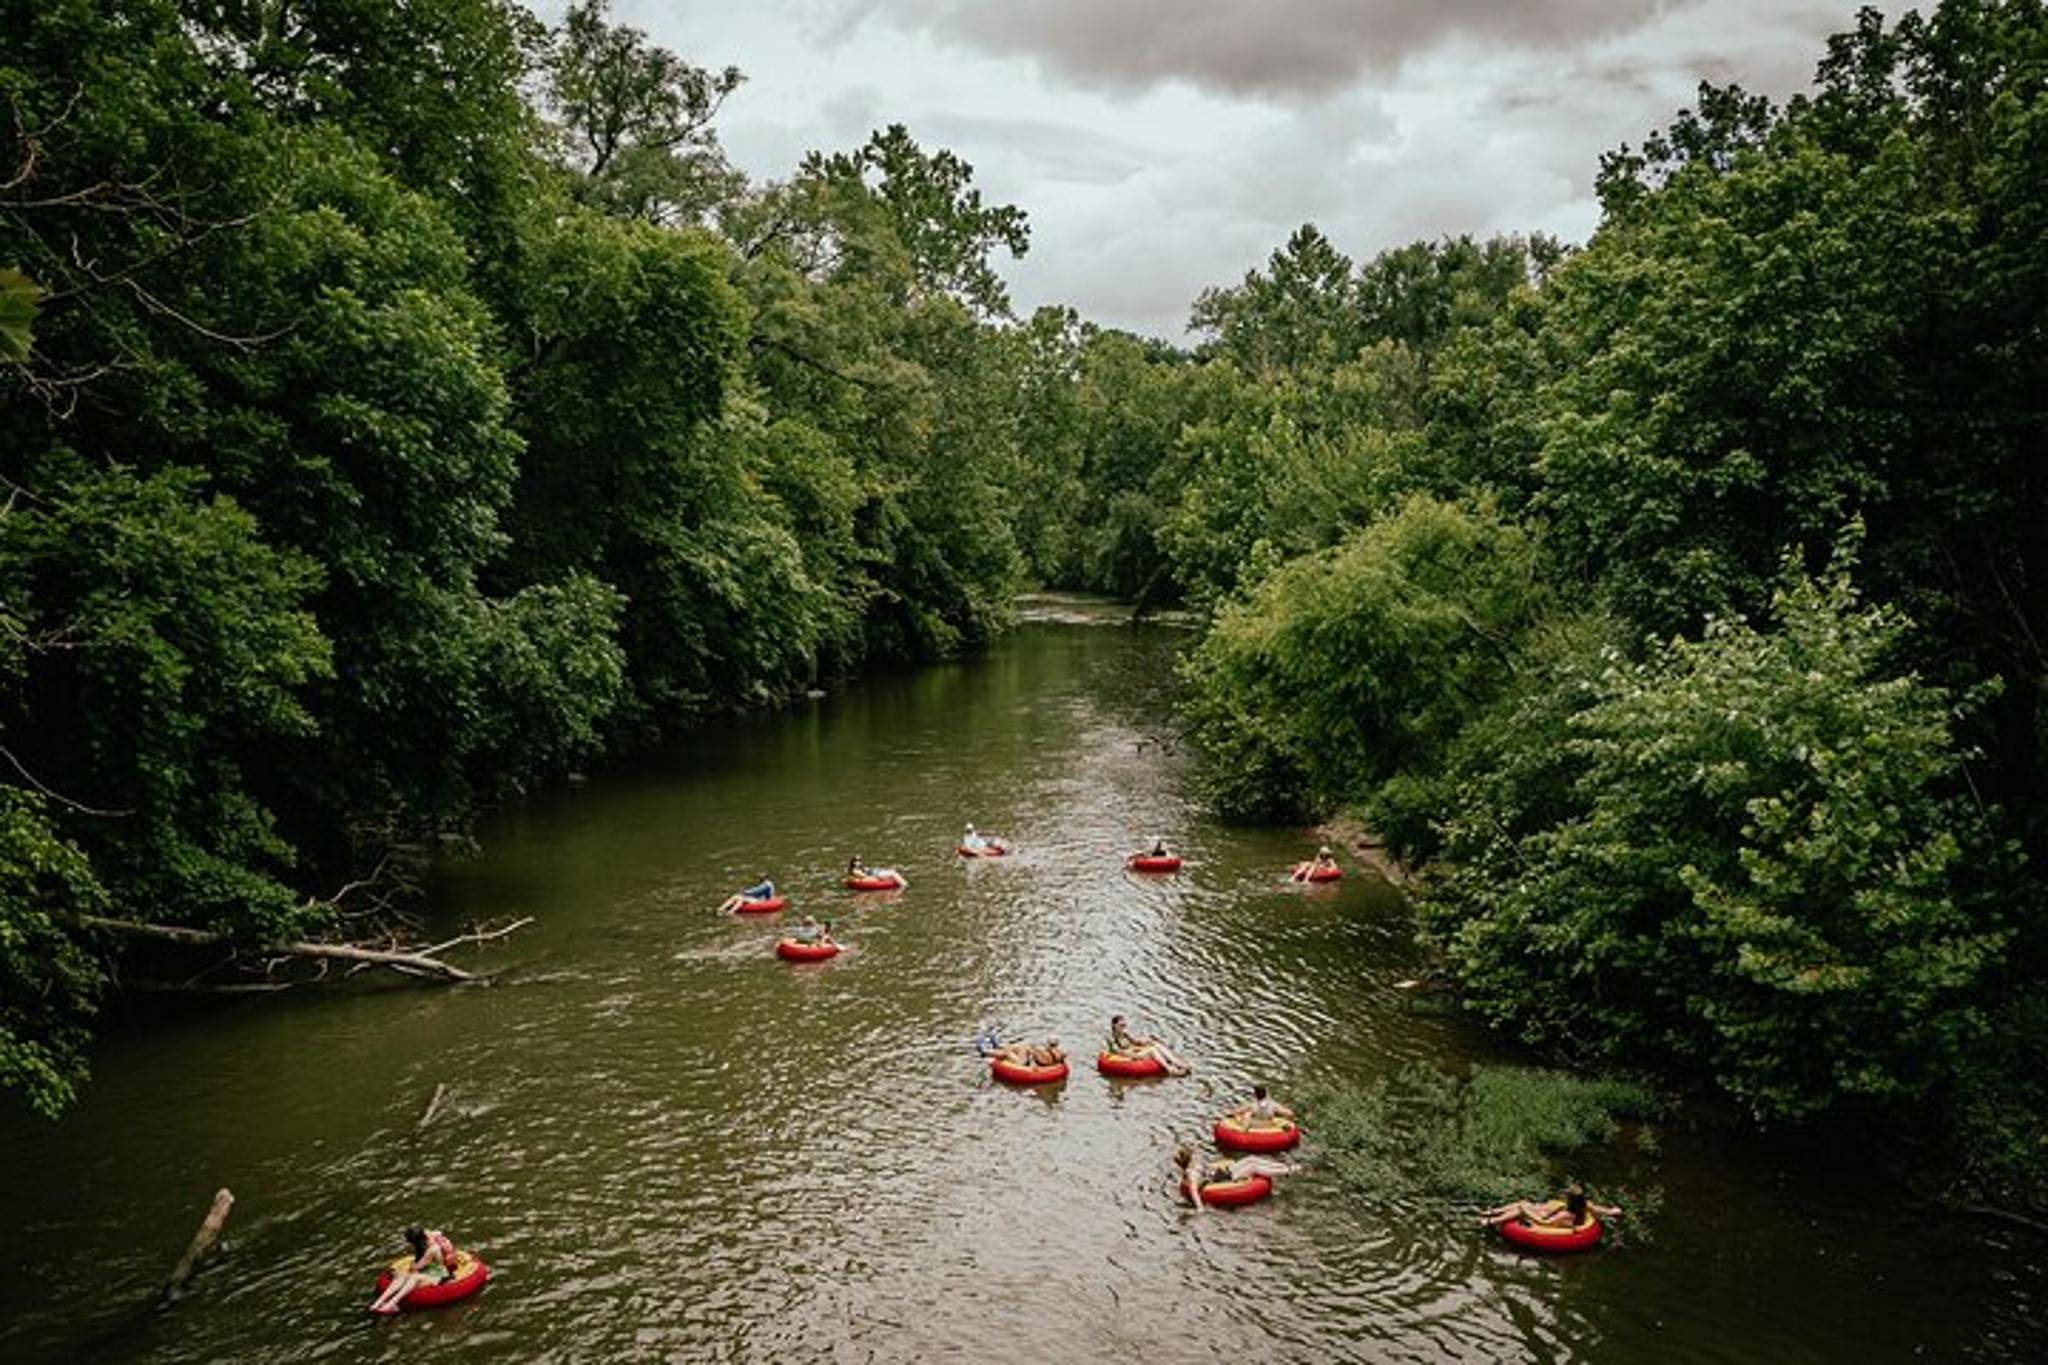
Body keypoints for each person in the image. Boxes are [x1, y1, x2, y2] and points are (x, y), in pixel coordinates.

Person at [1174, 1147, 1298, 1211]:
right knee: (1254, 1167)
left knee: (1252, 1159)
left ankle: (1284, 1167)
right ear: (1189, 1158)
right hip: (1227, 1177)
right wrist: (1199, 1208)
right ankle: (1286, 1171)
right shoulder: (1192, 1173)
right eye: (1193, 1154)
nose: (1196, 1155)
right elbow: (1194, 1190)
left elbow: (1211, 1167)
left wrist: (1222, 1164)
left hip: (1225, 1171)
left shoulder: (1196, 1165)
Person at [369, 1226, 457, 1314]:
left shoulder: (432, 1250)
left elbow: (416, 1267)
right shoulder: (429, 1238)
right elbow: (437, 1232)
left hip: (437, 1276)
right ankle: (377, 1303)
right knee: (401, 1277)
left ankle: (391, 1304)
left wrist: (413, 1266)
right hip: (426, 1272)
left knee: (414, 1277)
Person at [1480, 1181, 1620, 1229]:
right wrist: (1613, 1211)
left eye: (1567, 1196)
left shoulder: (1567, 1214)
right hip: (1552, 1217)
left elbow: (1545, 1223)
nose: (1564, 1196)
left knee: (1521, 1208)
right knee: (1523, 1202)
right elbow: (1601, 1210)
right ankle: (1494, 1211)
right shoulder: (1585, 1204)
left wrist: (1529, 1213)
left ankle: (1492, 1221)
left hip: (1547, 1223)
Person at [1107, 1013, 1190, 1075]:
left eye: (1124, 1025)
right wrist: (1133, 1052)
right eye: (1121, 1025)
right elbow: (1117, 1051)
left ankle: (1178, 1063)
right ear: (1114, 1026)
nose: (1123, 1028)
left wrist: (1146, 1042)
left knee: (1156, 1045)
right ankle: (1170, 1070)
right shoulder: (1111, 1037)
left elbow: (1135, 1042)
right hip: (1125, 1055)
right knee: (1152, 1050)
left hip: (1131, 1051)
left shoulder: (1125, 1033)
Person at [1229, 1084, 1294, 1128]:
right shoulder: (1273, 1105)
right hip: (1267, 1126)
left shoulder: (1251, 1105)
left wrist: (1234, 1115)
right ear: (1266, 1094)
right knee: (1274, 1117)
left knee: (1246, 1114)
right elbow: (1290, 1114)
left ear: (1255, 1094)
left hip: (1254, 1126)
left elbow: (1236, 1112)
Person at [992, 1037, 1065, 1068]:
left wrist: (1030, 1049)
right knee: (1020, 1047)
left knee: (1006, 1052)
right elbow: (1063, 1062)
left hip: (1022, 1064)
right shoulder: (1060, 1053)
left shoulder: (1042, 1051)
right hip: (1029, 1061)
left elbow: (1032, 1050)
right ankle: (998, 1046)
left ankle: (990, 1050)